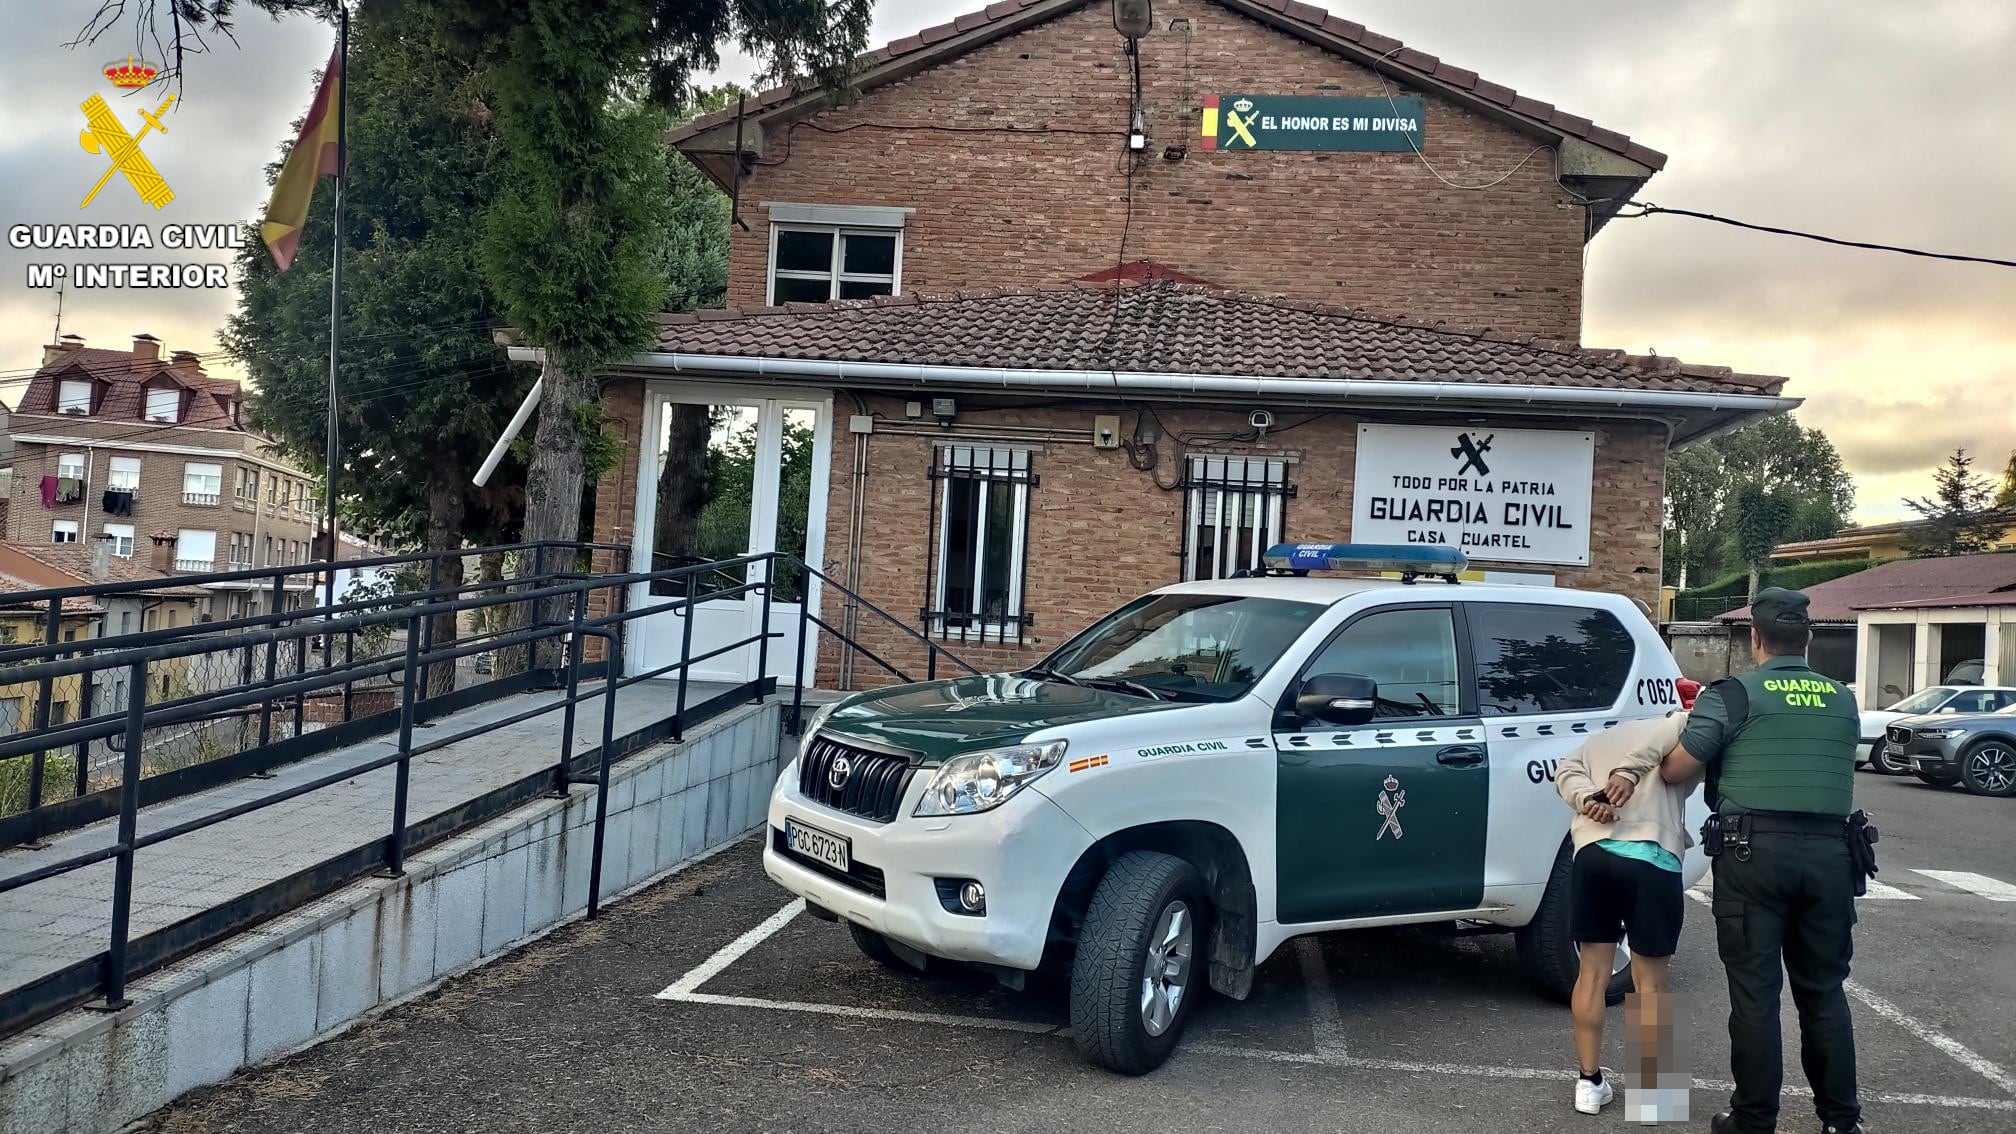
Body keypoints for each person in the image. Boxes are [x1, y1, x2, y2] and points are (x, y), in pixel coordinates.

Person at [1659, 587, 1865, 1134]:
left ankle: (1753, 1120)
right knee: (1823, 992)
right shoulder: (1842, 699)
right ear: (1810, 637)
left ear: (1754, 639)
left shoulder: (1733, 695)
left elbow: (1677, 769)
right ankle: (1842, 1123)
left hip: (1754, 854)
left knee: (1755, 993)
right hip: (1831, 855)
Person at [1553, 710, 1699, 1120]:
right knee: (1650, 982)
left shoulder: (1597, 740)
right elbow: (1676, 732)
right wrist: (1631, 773)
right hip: (1653, 855)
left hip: (1594, 856)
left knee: (1593, 973)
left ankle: (1588, 1081)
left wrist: (1587, 800)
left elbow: (1564, 771)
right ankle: (1655, 1097)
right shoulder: (1678, 724)